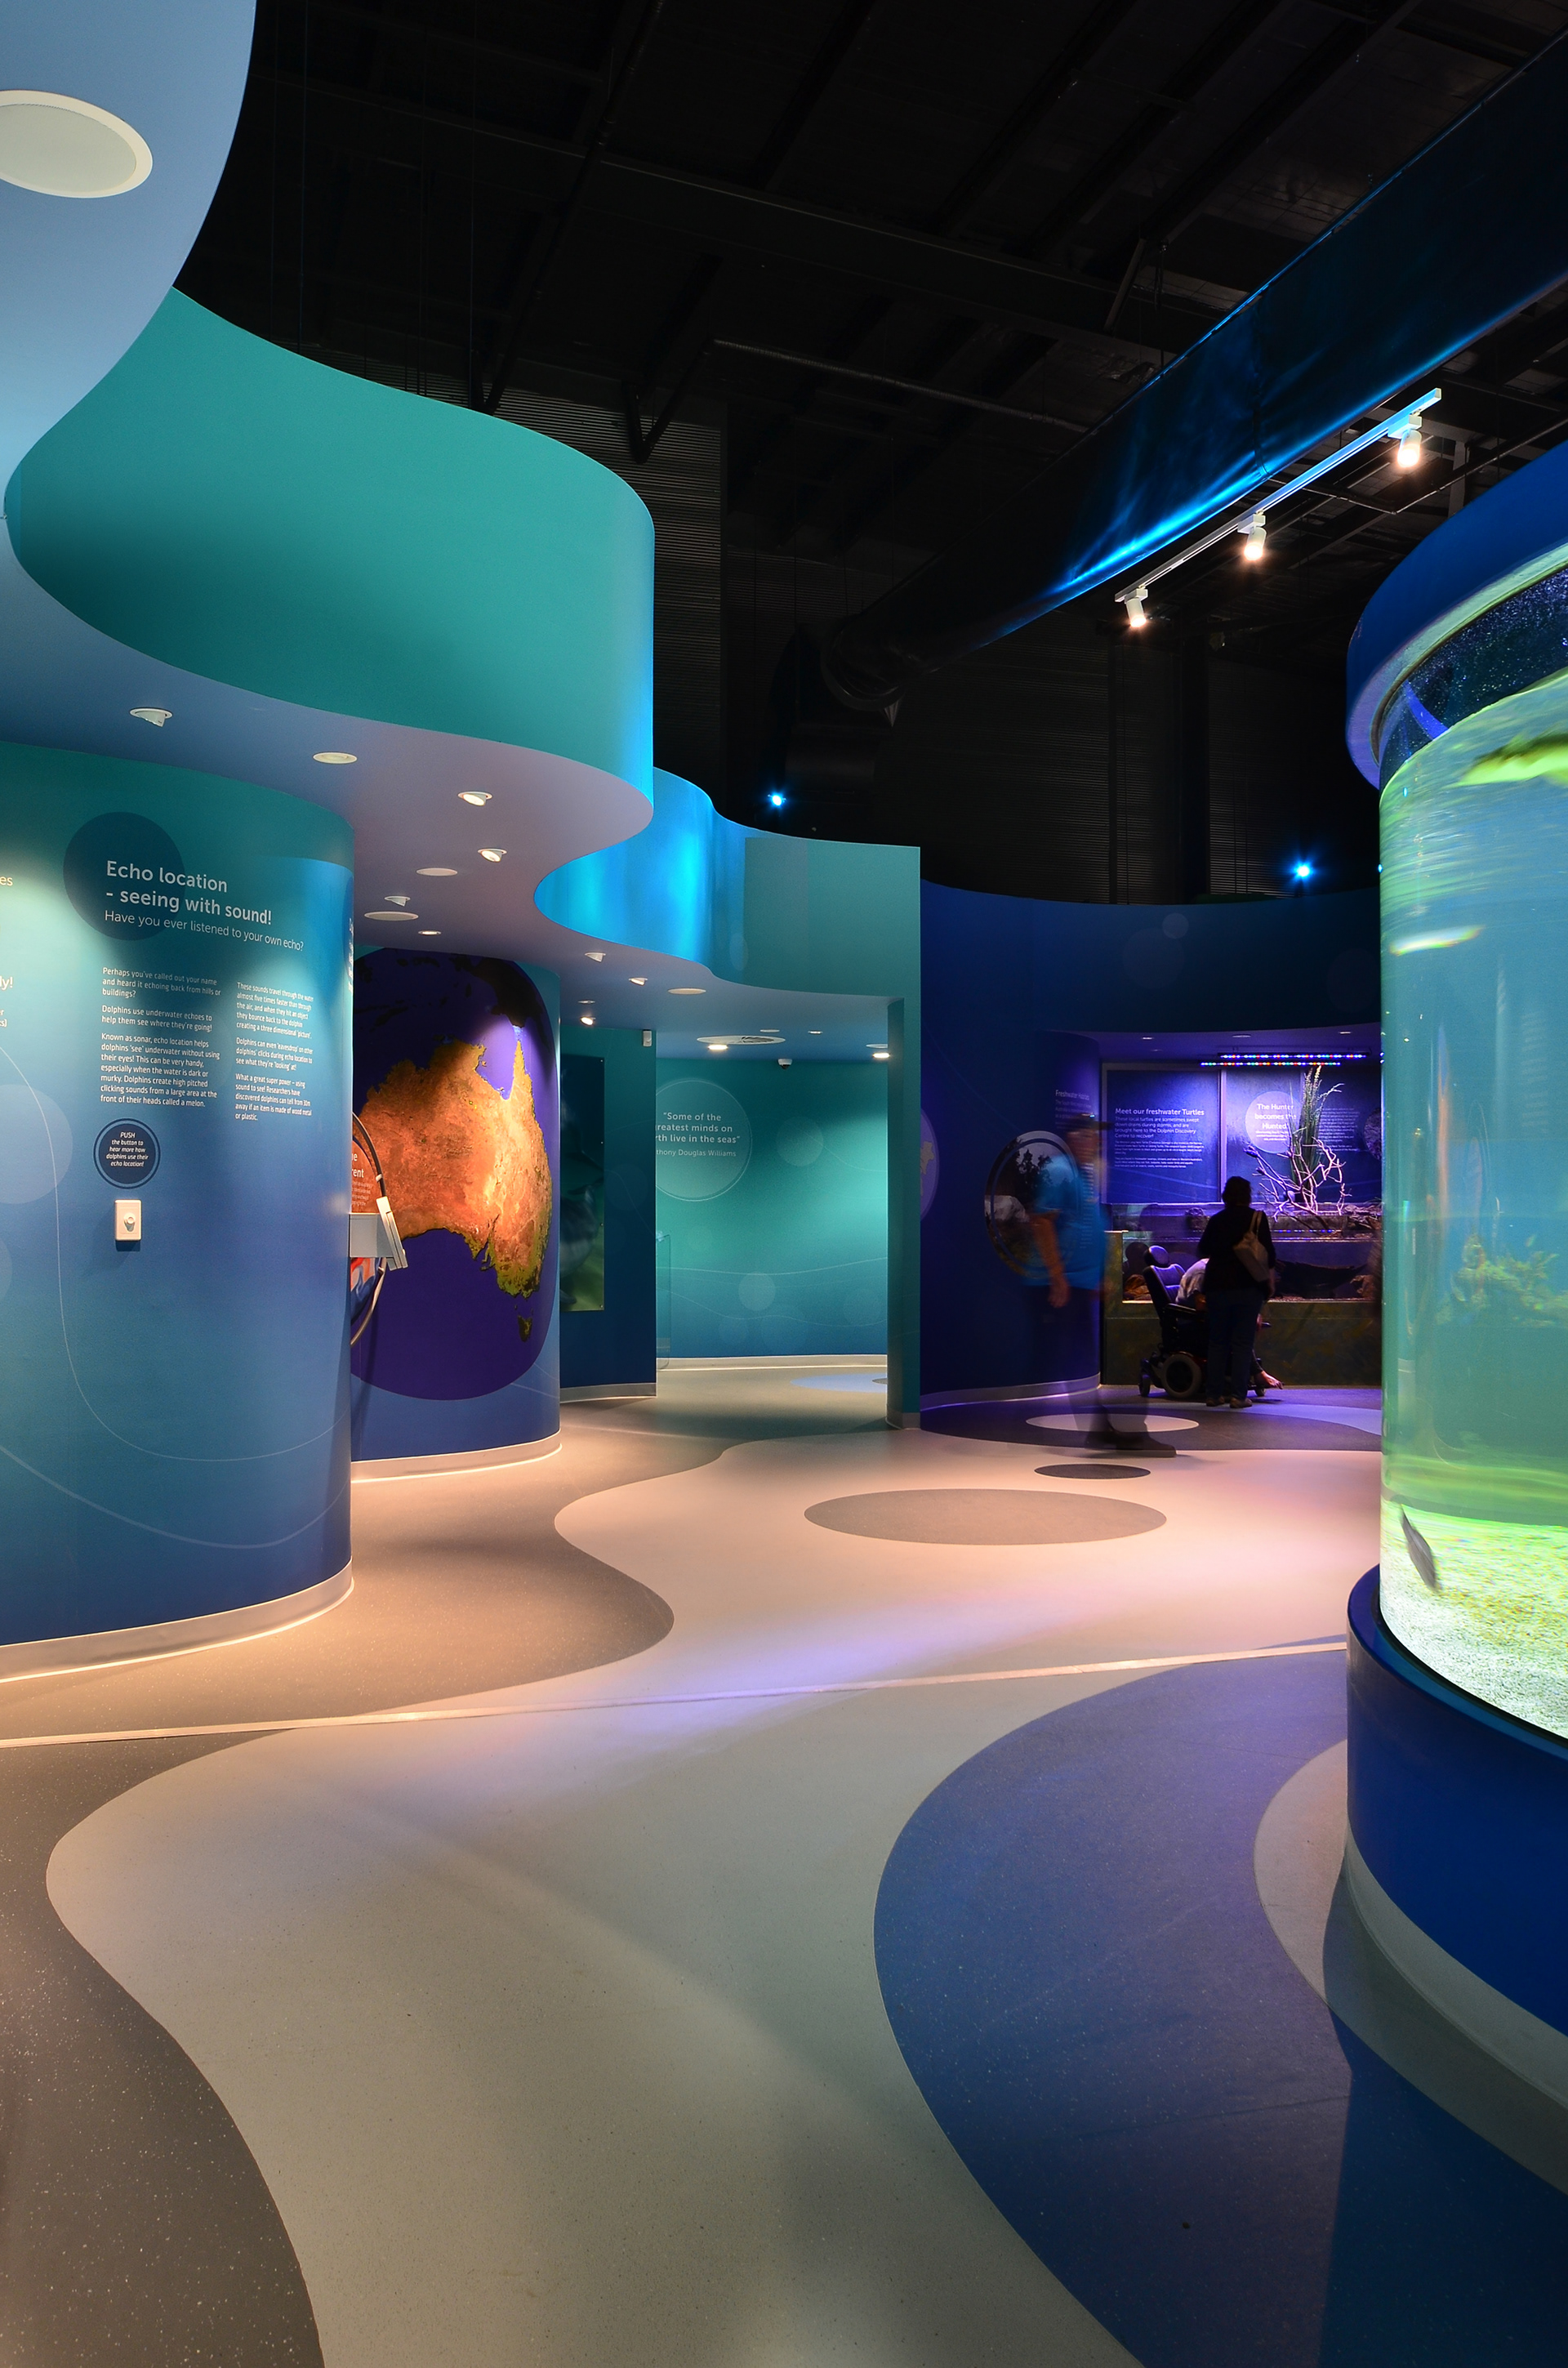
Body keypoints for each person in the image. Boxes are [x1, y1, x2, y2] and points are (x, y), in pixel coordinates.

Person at [1196, 1177, 1276, 1408]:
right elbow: (1270, 1255)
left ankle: (1213, 1395)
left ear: (1226, 1195)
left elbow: (1203, 1249)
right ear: (1248, 1195)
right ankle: (1239, 1397)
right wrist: (1269, 1282)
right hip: (1249, 1288)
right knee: (1242, 1343)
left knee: (1217, 1342)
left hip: (1218, 1288)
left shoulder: (1217, 1220)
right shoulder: (1257, 1218)